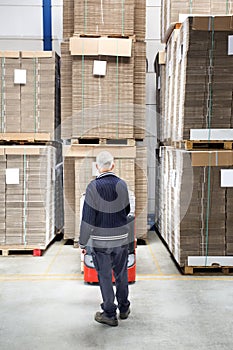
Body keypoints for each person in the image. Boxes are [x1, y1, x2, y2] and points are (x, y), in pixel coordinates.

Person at [79, 151, 131, 327]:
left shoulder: (93, 187)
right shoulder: (122, 185)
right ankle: (124, 308)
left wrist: (83, 240)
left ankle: (109, 313)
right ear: (113, 166)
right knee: (121, 274)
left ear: (97, 167)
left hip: (101, 240)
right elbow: (127, 210)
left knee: (105, 276)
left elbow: (88, 217)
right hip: (121, 239)